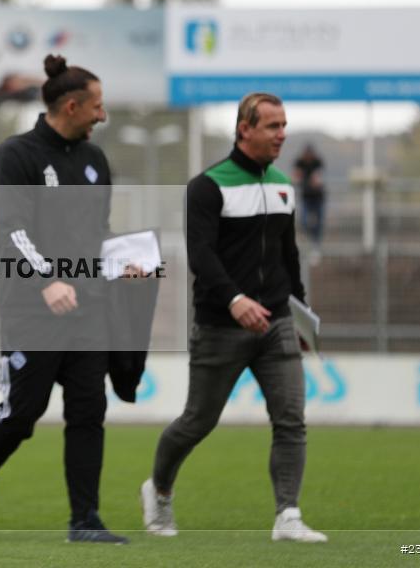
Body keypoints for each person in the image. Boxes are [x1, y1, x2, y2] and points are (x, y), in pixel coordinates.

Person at [0, 55, 130, 544]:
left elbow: (98, 231)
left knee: (89, 410)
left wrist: (122, 257)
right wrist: (48, 280)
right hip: (31, 307)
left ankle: (84, 520)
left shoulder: (95, 161)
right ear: (71, 106)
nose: (102, 115)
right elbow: (13, 230)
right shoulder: (18, 155)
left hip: (88, 306)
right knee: (22, 413)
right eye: (97, 106)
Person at [140, 92, 327, 543]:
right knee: (197, 422)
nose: (282, 134)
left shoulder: (284, 185)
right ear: (245, 129)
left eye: (284, 125)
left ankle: (288, 515)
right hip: (221, 325)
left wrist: (300, 318)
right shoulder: (207, 186)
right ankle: (159, 490)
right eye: (272, 126)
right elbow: (201, 256)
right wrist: (234, 300)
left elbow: (289, 257)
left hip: (278, 323)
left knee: (290, 420)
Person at [292, 144, 325, 255]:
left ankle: (316, 245)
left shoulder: (317, 162)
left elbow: (318, 178)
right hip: (306, 197)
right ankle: (311, 240)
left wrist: (315, 180)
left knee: (319, 223)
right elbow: (296, 176)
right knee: (304, 221)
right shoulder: (300, 163)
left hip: (318, 197)